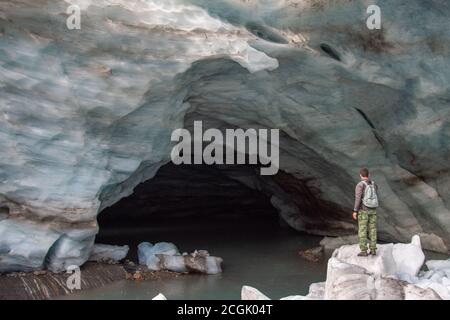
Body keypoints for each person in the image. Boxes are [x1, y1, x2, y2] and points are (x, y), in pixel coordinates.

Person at [352, 167, 379, 256]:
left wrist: (355, 210)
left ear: (360, 175)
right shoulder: (374, 184)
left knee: (362, 230)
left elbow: (358, 198)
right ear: (369, 175)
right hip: (373, 210)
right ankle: (373, 250)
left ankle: (364, 251)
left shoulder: (360, 185)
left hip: (363, 211)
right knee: (373, 229)